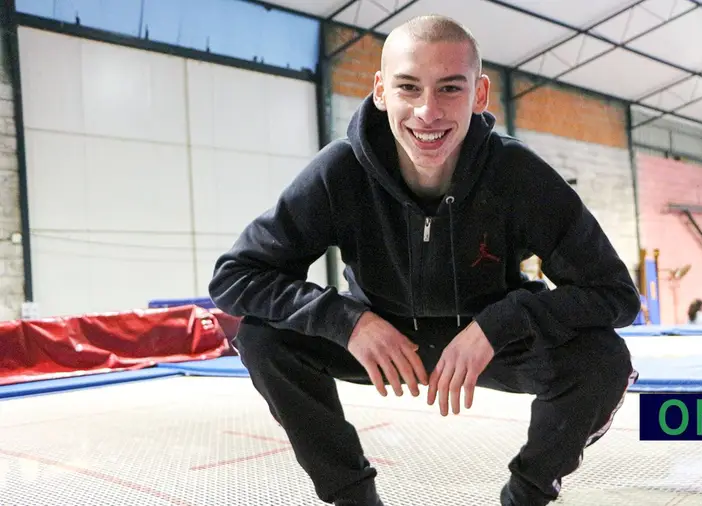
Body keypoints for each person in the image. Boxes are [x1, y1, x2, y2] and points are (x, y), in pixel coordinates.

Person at [208, 15, 641, 506]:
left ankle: (526, 495)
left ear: (479, 95)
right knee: (263, 338)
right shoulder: (340, 172)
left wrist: (498, 326)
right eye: (408, 87)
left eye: (450, 89)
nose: (427, 112)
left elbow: (615, 296)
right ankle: (352, 497)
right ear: (380, 91)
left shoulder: (519, 177)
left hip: (489, 342)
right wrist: (347, 322)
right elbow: (235, 276)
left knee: (603, 359)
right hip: (384, 338)